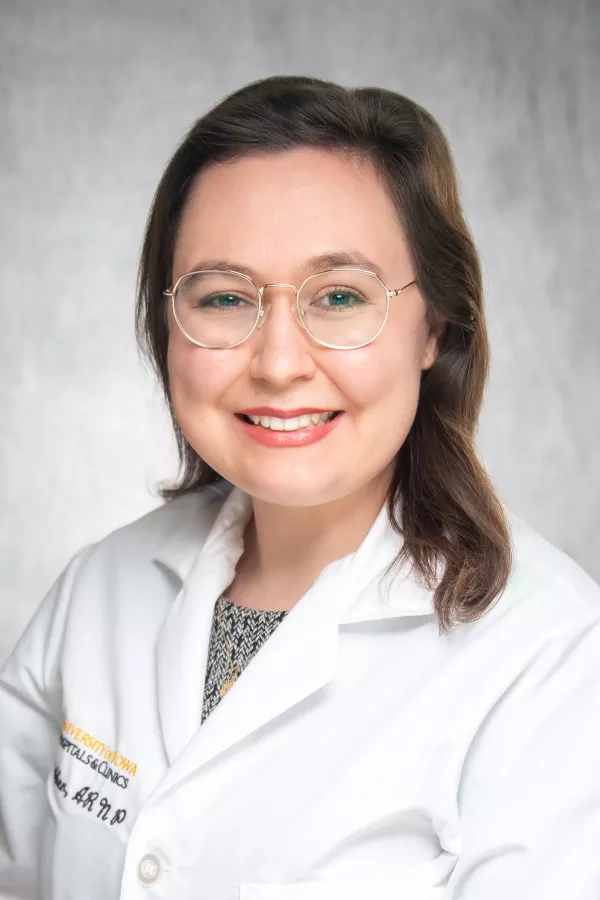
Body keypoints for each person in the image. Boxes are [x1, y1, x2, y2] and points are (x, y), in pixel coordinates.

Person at [1, 75, 599, 900]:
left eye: (341, 296)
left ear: (434, 327)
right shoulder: (100, 590)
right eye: (223, 297)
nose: (279, 363)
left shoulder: (551, 659)